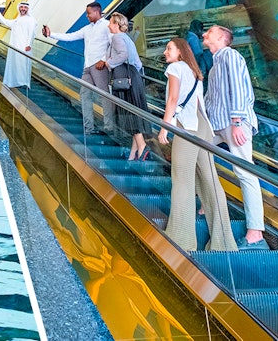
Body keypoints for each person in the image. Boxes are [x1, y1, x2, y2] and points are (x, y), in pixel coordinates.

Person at [157, 38, 237, 252]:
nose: (166, 52)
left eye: (169, 49)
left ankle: (181, 239)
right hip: (203, 126)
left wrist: (165, 127)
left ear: (181, 52)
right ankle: (224, 243)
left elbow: (172, 100)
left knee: (182, 180)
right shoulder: (195, 72)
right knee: (211, 181)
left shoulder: (175, 68)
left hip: (187, 126)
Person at [203, 25, 267, 250]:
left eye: (209, 33)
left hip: (233, 124)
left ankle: (255, 233)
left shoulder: (230, 55)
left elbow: (240, 89)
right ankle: (208, 204)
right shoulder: (215, 64)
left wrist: (238, 122)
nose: (204, 35)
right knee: (197, 154)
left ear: (221, 37)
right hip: (219, 126)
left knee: (245, 172)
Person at [43, 2, 111, 135]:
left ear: (97, 12)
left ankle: (109, 126)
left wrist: (104, 59)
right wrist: (51, 34)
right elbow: (70, 36)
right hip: (87, 67)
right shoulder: (87, 29)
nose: (87, 16)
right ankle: (89, 128)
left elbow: (113, 44)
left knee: (105, 96)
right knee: (84, 94)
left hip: (100, 66)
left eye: (89, 13)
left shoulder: (107, 25)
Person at [107, 13, 149, 160]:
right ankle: (133, 155)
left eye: (111, 23)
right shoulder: (127, 38)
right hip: (133, 78)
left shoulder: (117, 37)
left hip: (124, 79)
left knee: (129, 114)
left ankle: (142, 146)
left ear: (117, 24)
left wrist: (109, 63)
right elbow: (137, 62)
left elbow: (123, 55)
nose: (108, 25)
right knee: (133, 113)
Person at [0, 2, 37, 88]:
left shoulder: (31, 20)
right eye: (21, 7)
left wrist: (28, 45)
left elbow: (32, 33)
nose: (23, 9)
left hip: (24, 48)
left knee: (22, 65)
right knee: (14, 64)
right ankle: (14, 82)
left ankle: (23, 83)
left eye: (25, 7)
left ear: (28, 9)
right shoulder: (17, 20)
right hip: (14, 47)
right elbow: (4, 21)